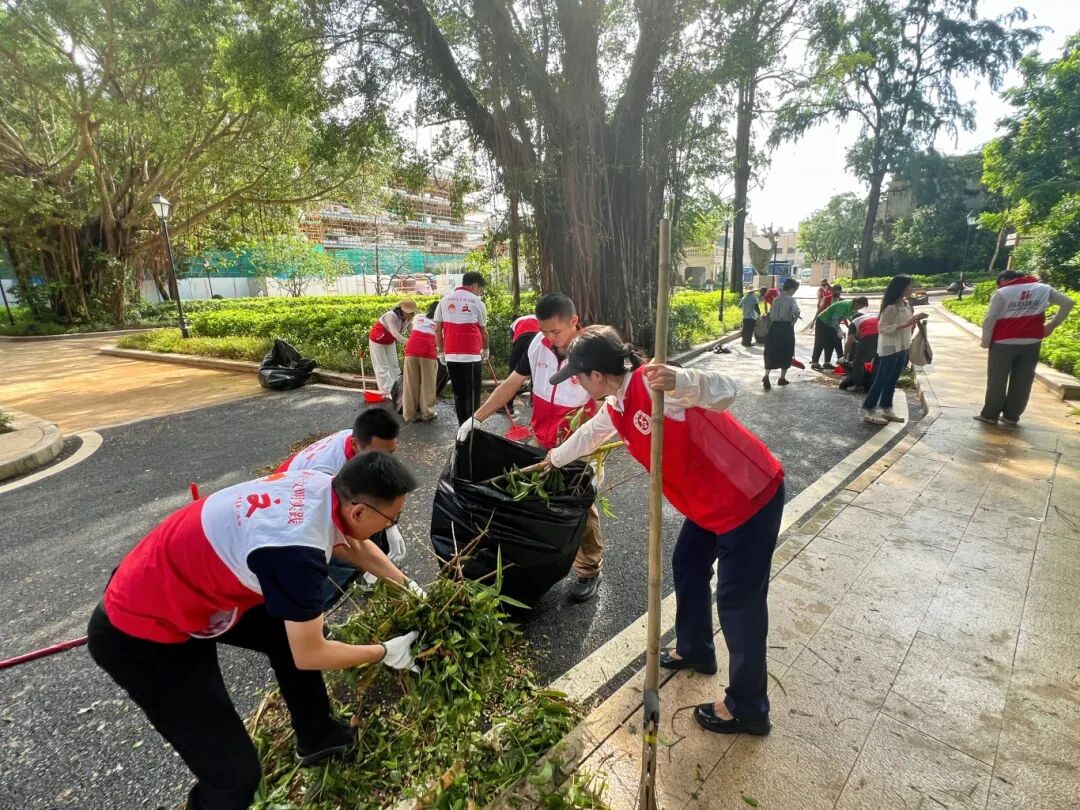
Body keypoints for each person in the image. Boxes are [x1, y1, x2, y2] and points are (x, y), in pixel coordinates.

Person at [87, 453, 425, 810]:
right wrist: (385, 652)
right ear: (358, 511)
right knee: (234, 778)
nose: (392, 524)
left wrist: (409, 586)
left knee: (288, 628)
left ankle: (318, 736)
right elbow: (311, 654)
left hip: (183, 580)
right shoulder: (297, 554)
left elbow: (353, 543)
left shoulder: (322, 484)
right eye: (392, 518)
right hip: (143, 630)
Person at [546, 326, 785, 737]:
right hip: (707, 504)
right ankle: (696, 649)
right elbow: (591, 435)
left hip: (747, 495)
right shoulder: (615, 404)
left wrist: (682, 379)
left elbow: (727, 390)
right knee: (688, 563)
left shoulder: (656, 385)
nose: (576, 382)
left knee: (738, 602)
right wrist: (551, 460)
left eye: (578, 376)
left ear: (598, 376)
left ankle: (749, 706)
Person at [457, 294, 605, 602]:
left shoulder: (593, 352)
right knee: (540, 499)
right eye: (544, 331)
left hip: (579, 441)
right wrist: (476, 419)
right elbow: (511, 384)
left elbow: (607, 405)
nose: (550, 338)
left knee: (580, 505)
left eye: (556, 332)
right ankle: (546, 560)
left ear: (574, 322)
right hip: (542, 437)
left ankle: (589, 569)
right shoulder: (537, 344)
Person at [275, 408, 406, 593]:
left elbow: (376, 495)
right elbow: (337, 532)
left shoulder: (361, 441)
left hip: (312, 489)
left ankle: (372, 572)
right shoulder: (326, 474)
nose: (385, 462)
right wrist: (367, 560)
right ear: (354, 445)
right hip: (288, 500)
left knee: (368, 516)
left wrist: (390, 525)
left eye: (390, 453)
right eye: (378, 455)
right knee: (327, 554)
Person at [976, 270, 1074, 426]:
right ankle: (1011, 416)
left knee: (997, 380)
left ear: (1005, 280)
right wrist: (1051, 325)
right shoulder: (1043, 289)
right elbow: (1068, 302)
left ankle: (990, 415)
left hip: (1003, 342)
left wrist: (986, 341)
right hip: (1032, 341)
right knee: (1023, 381)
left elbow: (991, 318)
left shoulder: (1002, 293)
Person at [861, 275, 927, 425]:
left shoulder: (904, 304)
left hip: (902, 346)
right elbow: (882, 328)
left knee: (892, 380)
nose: (911, 289)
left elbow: (905, 323)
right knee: (882, 379)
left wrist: (915, 319)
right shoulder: (890, 307)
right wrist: (905, 324)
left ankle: (886, 408)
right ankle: (869, 410)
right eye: (909, 286)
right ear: (901, 288)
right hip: (890, 348)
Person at [435, 271, 489, 425]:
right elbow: (483, 332)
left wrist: (441, 352)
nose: (479, 292)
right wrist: (485, 350)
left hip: (451, 356)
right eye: (479, 288)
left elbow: (438, 330)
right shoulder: (478, 302)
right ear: (474, 285)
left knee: (458, 393)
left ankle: (462, 427)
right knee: (473, 394)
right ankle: (472, 427)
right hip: (472, 356)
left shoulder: (444, 301)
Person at [367, 300, 417, 400]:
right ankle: (387, 392)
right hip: (377, 340)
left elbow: (412, 332)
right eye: (409, 313)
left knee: (394, 365)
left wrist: (416, 341)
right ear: (403, 311)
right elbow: (395, 333)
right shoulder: (390, 316)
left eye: (412, 313)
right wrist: (409, 343)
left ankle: (399, 388)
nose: (411, 315)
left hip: (389, 341)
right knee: (382, 367)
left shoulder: (408, 319)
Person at [402, 302, 440, 423]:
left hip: (411, 350)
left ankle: (409, 415)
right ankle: (427, 413)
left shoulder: (418, 317)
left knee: (410, 383)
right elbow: (440, 340)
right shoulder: (439, 322)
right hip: (427, 352)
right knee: (428, 384)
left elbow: (414, 331)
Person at [762, 278, 801, 390]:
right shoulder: (791, 300)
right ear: (792, 288)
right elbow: (797, 312)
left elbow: (771, 314)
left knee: (771, 351)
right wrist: (793, 322)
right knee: (786, 352)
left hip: (774, 327)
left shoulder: (776, 299)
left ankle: (766, 375)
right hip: (785, 328)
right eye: (795, 289)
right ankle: (782, 378)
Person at [812, 294, 866, 370]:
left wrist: (855, 328)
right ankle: (815, 362)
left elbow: (851, 319)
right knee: (820, 341)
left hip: (832, 323)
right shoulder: (844, 305)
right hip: (823, 321)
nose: (860, 308)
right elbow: (834, 320)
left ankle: (827, 362)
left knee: (831, 342)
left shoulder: (853, 307)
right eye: (861, 306)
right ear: (857, 303)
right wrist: (839, 330)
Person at [506, 312, 541, 415]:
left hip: (521, 340)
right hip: (537, 340)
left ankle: (508, 406)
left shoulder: (514, 323)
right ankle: (534, 403)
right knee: (537, 373)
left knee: (513, 374)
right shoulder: (536, 317)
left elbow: (513, 340)